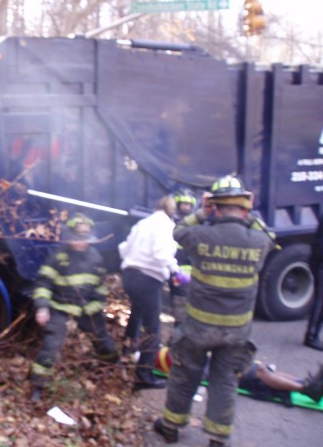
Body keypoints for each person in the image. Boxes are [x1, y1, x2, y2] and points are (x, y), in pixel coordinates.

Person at [153, 176, 275, 446]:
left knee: (185, 375)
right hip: (236, 333)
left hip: (197, 328)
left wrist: (202, 211)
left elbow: (178, 231)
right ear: (244, 207)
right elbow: (270, 235)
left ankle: (171, 427)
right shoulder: (258, 241)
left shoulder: (200, 235)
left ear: (215, 207)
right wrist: (249, 210)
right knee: (225, 382)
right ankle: (218, 438)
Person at [30, 213, 119, 402]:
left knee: (101, 337)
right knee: (52, 345)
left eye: (85, 239)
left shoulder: (95, 257)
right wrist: (43, 307)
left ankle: (111, 367)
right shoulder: (58, 257)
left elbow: (100, 286)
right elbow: (43, 284)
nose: (81, 243)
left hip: (86, 307)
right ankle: (37, 386)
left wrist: (96, 305)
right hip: (59, 307)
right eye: (77, 239)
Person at [118, 195, 189, 390]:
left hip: (130, 275)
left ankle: (127, 352)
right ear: (171, 211)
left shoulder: (143, 223)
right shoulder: (166, 225)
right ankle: (143, 376)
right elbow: (161, 254)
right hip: (147, 280)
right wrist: (175, 271)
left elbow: (124, 249)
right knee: (153, 329)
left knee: (137, 314)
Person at [155, 346, 323, 405]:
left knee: (260, 368)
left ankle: (305, 383)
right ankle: (305, 388)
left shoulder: (162, 353)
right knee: (260, 371)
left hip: (211, 363)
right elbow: (194, 373)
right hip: (215, 371)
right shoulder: (166, 361)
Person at [170, 189, 198, 326]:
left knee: (187, 300)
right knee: (178, 300)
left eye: (188, 205)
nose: (185, 207)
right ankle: (179, 327)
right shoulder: (172, 222)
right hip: (176, 268)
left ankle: (183, 327)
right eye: (183, 204)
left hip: (190, 269)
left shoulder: (195, 224)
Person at [304, 212, 323, 351]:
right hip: (320, 262)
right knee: (320, 300)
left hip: (318, 260)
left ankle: (313, 335)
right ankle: (311, 337)